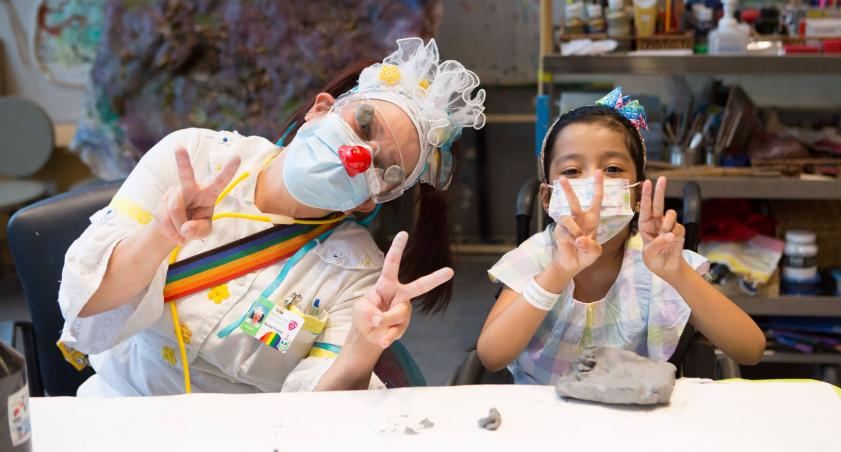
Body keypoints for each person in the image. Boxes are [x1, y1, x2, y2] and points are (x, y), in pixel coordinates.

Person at [57, 37, 486, 396]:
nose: (359, 156)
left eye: (384, 170)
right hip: (121, 412)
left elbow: (315, 419)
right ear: (321, 108)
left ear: (368, 202)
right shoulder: (192, 156)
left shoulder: (361, 275)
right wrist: (160, 236)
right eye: (364, 126)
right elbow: (87, 305)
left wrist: (361, 345)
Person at [476, 88, 764, 384]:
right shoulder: (537, 256)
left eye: (612, 168)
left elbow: (750, 349)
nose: (594, 183)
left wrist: (678, 274)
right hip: (545, 419)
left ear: (637, 194)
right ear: (548, 198)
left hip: (636, 416)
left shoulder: (658, 262)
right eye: (572, 170)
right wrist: (557, 273)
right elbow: (491, 356)